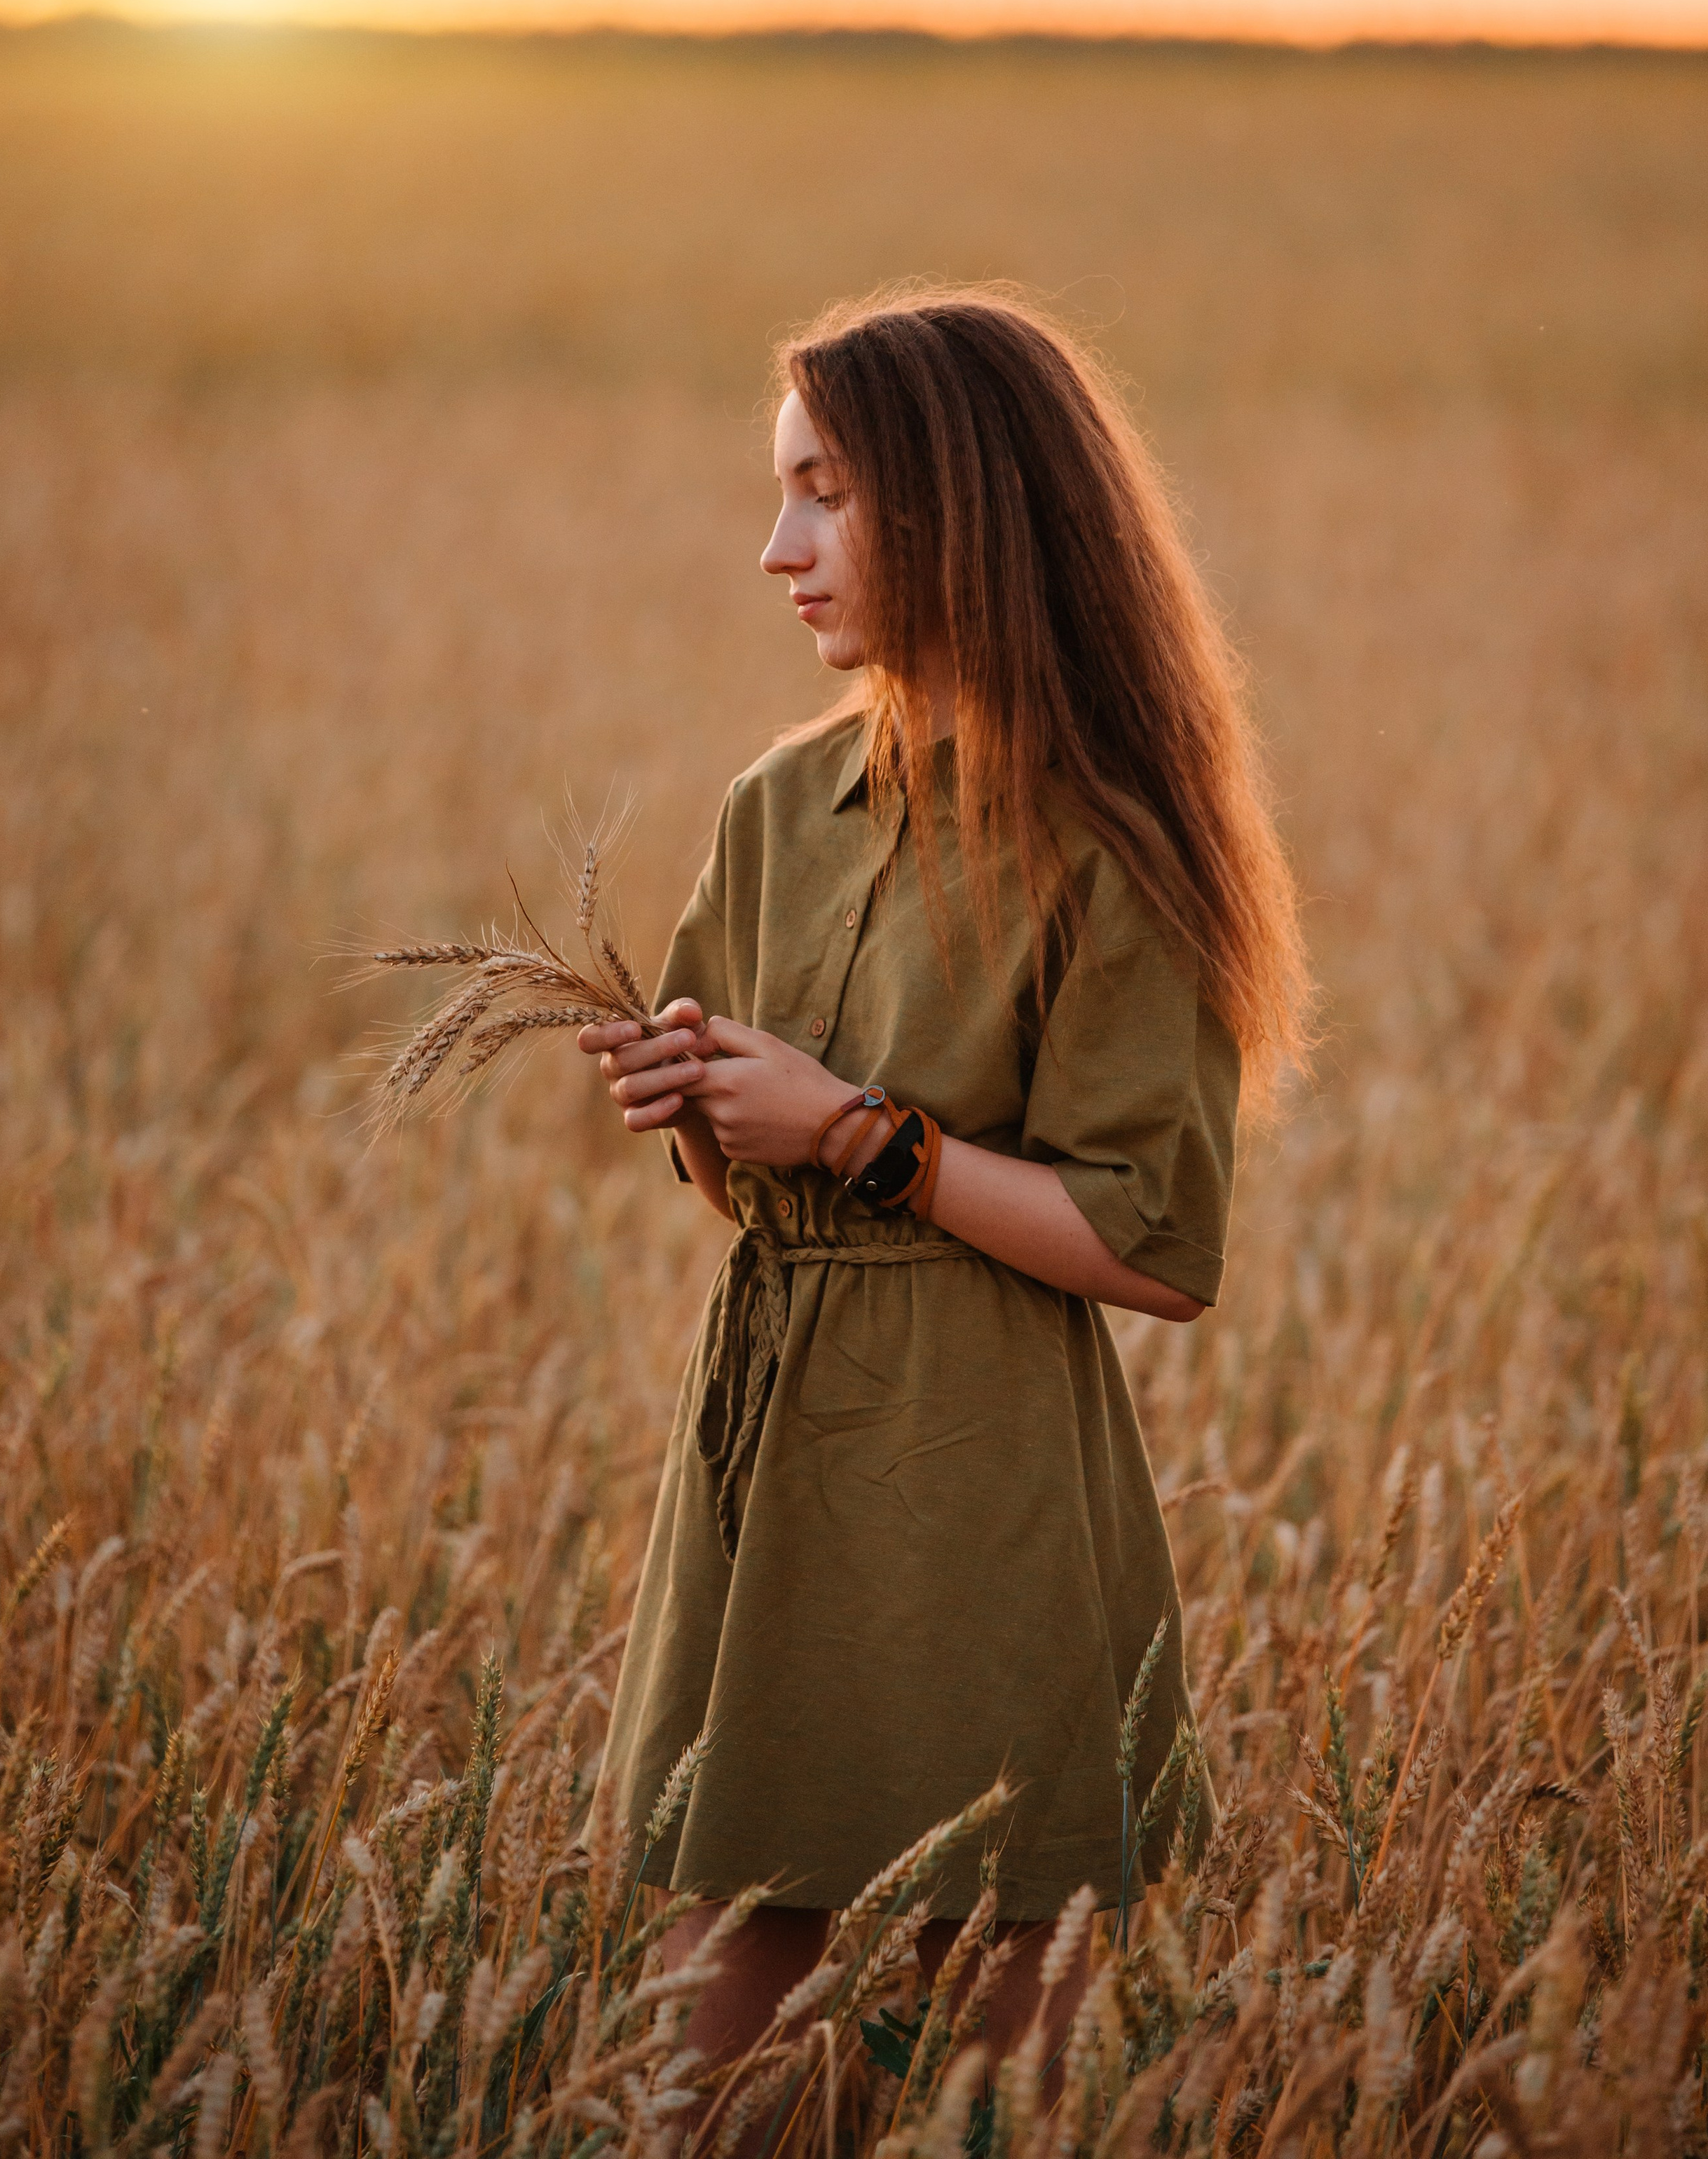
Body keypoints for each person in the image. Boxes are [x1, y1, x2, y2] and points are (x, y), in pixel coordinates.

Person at [578, 291, 1308, 2099]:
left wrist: (858, 1137)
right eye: (781, 493)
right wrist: (696, 1104)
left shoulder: (1110, 843)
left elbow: (1153, 1252)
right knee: (706, 2083)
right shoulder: (780, 803)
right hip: (764, 1452)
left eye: (825, 495)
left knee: (981, 2097)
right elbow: (743, 1173)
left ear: (965, 508)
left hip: (977, 1480)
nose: (778, 550)